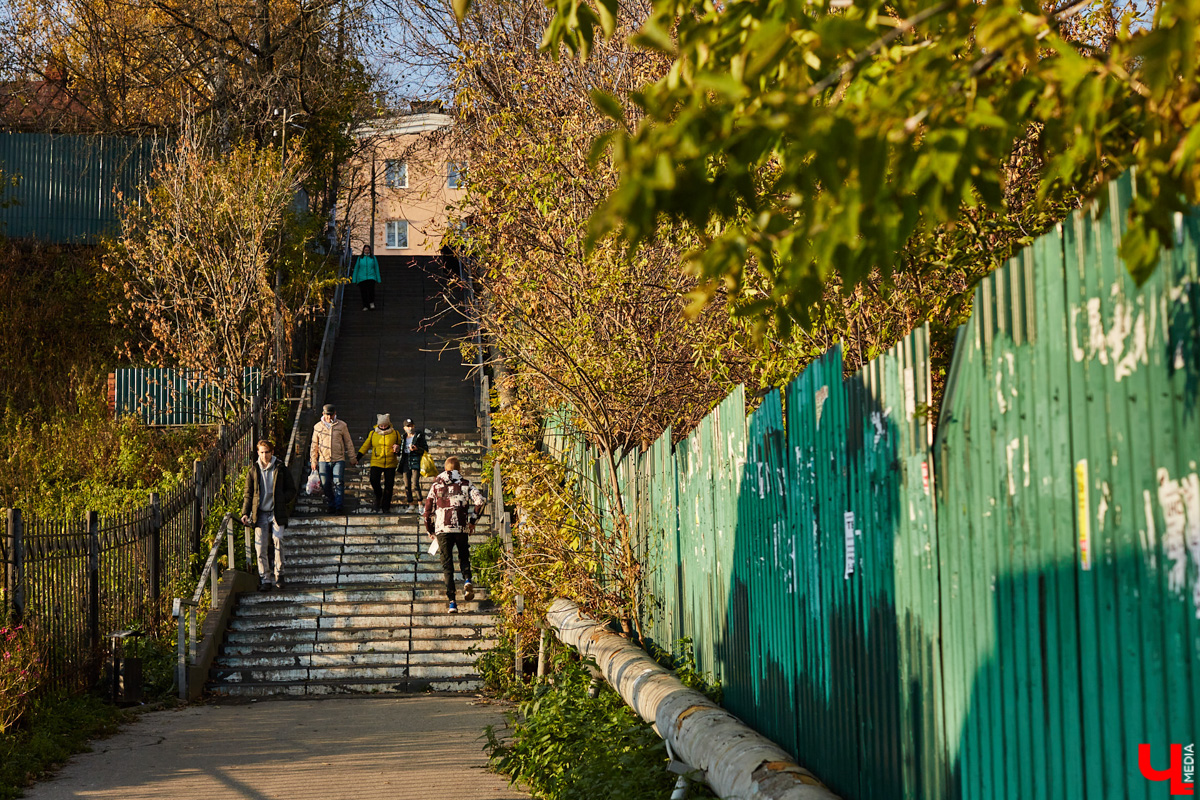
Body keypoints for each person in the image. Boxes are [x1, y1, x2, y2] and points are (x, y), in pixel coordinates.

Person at [423, 456, 485, 613]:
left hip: (443, 530)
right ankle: (467, 579)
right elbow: (480, 501)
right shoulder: (466, 484)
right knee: (464, 556)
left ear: (445, 468)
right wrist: (472, 521)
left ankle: (452, 602)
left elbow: (427, 510)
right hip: (461, 527)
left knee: (447, 564)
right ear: (460, 469)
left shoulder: (436, 486)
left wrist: (430, 529)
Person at [240, 440, 297, 591]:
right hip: (260, 513)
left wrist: (282, 499)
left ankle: (279, 574)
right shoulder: (253, 470)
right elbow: (248, 493)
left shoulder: (280, 468)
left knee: (278, 539)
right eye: (262, 452)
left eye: (267, 452)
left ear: (272, 452)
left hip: (277, 511)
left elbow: (292, 489)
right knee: (260, 547)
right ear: (258, 453)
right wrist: (245, 513)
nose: (264, 455)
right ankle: (265, 578)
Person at [310, 403, 356, 513]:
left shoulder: (342, 425)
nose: (329, 417)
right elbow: (314, 445)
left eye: (331, 415)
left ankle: (339, 506)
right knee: (325, 484)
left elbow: (348, 442)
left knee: (338, 482)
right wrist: (313, 460)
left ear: (335, 414)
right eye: (327, 415)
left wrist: (352, 457)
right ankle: (331, 502)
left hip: (338, 458)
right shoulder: (317, 427)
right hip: (323, 459)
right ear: (323, 414)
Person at [358, 413, 402, 513]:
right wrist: (358, 456)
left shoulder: (395, 433)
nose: (382, 427)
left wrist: (398, 449)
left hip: (390, 462)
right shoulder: (373, 433)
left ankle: (386, 506)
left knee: (389, 485)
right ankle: (378, 495)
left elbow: (400, 445)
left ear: (388, 424)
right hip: (376, 461)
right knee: (373, 479)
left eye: (384, 425)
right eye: (381, 425)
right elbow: (366, 445)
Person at [400, 418, 429, 512]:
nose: (410, 428)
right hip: (405, 461)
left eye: (411, 426)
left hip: (416, 461)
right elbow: (400, 451)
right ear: (404, 428)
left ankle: (420, 504)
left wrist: (417, 449)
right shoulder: (403, 437)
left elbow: (425, 449)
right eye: (408, 426)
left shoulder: (419, 436)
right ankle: (411, 504)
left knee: (415, 483)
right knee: (406, 484)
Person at [353, 244, 381, 311]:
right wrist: (354, 279)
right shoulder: (360, 258)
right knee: (363, 292)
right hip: (361, 278)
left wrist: (378, 278)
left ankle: (371, 303)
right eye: (365, 250)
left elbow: (376, 268)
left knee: (371, 290)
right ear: (363, 250)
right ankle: (365, 305)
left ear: (370, 251)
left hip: (371, 277)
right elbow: (356, 268)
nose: (367, 251)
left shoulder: (373, 258)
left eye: (368, 250)